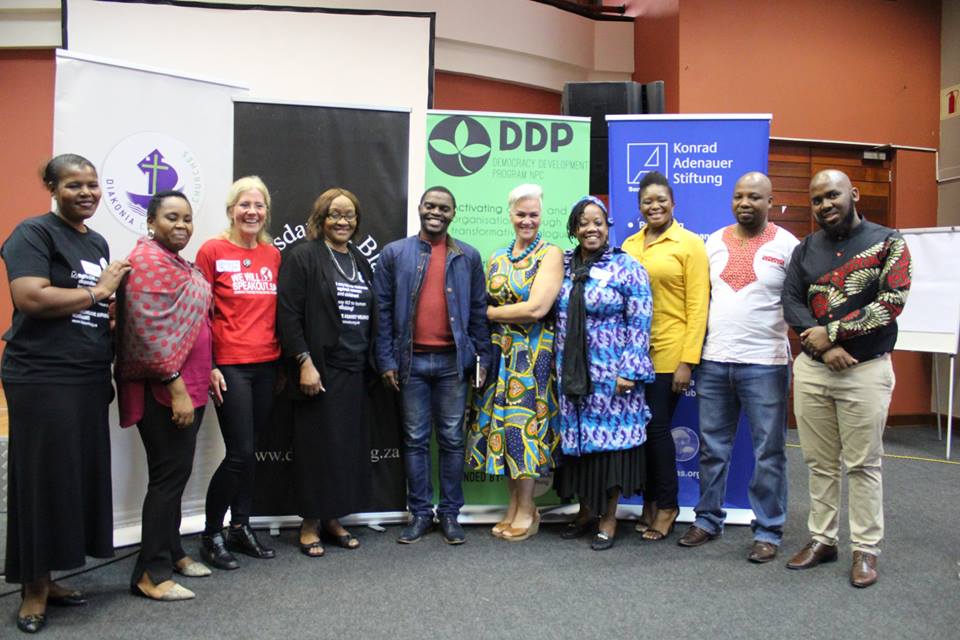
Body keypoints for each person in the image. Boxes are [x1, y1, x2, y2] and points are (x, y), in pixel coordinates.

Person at [1, 154, 131, 633]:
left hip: (86, 375)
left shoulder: (94, 241)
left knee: (69, 480)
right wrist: (99, 292)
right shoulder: (33, 233)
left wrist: (105, 313)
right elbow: (31, 296)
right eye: (74, 185)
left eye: (92, 184)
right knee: (40, 482)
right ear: (52, 188)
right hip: (42, 376)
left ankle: (52, 575)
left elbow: (85, 303)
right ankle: (33, 589)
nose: (87, 193)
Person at [782, 169, 911, 588]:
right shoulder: (805, 248)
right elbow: (791, 301)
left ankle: (865, 549)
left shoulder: (889, 242)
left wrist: (834, 332)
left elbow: (891, 302)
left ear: (853, 194)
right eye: (817, 199)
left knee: (863, 464)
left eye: (833, 195)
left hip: (865, 370)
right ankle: (823, 540)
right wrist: (824, 347)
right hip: (814, 370)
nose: (825, 205)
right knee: (819, 463)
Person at [676, 172, 798, 563]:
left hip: (766, 364)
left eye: (755, 197)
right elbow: (698, 299)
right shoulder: (712, 242)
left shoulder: (788, 246)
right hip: (715, 362)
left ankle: (768, 530)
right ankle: (707, 519)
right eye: (739, 196)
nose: (745, 203)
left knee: (769, 452)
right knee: (712, 449)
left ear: (770, 201)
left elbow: (798, 302)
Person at [373, 186, 490, 545]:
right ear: (420, 208)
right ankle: (421, 514)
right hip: (410, 363)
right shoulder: (394, 253)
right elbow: (382, 312)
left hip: (454, 364)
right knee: (415, 440)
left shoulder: (468, 256)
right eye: (430, 206)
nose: (436, 212)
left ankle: (450, 514)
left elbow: (478, 313)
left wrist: (482, 359)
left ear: (454, 213)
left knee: (453, 439)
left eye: (444, 208)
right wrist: (386, 359)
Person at [115, 190, 214, 602]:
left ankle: (173, 552)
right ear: (151, 222)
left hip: (192, 384)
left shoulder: (176, 264)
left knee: (176, 475)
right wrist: (176, 388)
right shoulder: (147, 263)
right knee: (167, 478)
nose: (181, 225)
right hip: (167, 391)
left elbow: (194, 327)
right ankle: (149, 574)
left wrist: (211, 368)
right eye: (172, 217)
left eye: (187, 218)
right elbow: (147, 334)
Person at [277, 187, 376, 557]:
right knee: (316, 449)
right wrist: (304, 362)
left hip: (355, 369)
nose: (342, 221)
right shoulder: (303, 256)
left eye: (349, 215)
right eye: (335, 214)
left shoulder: (359, 260)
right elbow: (287, 314)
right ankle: (309, 524)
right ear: (321, 218)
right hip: (319, 369)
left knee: (344, 449)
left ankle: (333, 518)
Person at [553, 196, 655, 551]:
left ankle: (608, 519)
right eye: (583, 222)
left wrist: (629, 370)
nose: (590, 228)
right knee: (581, 447)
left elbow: (641, 321)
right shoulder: (564, 265)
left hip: (612, 377)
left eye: (597, 222)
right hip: (573, 375)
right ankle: (585, 512)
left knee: (611, 449)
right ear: (574, 229)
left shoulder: (627, 267)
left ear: (608, 226)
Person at [465, 183, 562, 542]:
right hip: (499, 355)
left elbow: (536, 308)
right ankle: (514, 506)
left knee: (525, 429)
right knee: (505, 432)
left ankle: (528, 509)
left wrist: (490, 313)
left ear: (541, 216)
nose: (527, 220)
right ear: (510, 215)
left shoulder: (551, 254)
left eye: (533, 214)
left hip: (532, 356)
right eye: (521, 214)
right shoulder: (496, 258)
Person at [195, 176, 280, 570]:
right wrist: (209, 364)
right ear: (231, 210)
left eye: (259, 205)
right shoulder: (212, 250)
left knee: (251, 452)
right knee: (240, 452)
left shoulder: (272, 254)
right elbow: (198, 313)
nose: (252, 212)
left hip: (267, 364)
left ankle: (240, 527)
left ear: (266, 212)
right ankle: (211, 533)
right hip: (230, 365)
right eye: (244, 204)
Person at [621, 171, 709, 541]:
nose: (654, 206)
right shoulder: (629, 244)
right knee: (640, 432)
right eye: (647, 201)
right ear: (639, 206)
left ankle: (668, 506)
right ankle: (650, 503)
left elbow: (698, 306)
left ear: (673, 203)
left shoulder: (689, 244)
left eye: (661, 200)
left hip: (670, 351)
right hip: (633, 354)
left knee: (656, 429)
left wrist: (688, 361)